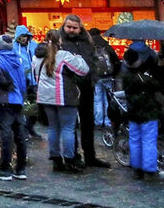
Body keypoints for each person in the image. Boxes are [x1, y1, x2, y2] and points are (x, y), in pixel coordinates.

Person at [34, 29, 90, 172]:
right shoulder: (64, 56)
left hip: (45, 98)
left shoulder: (38, 57)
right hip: (64, 97)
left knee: (53, 128)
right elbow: (83, 70)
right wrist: (78, 58)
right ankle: (70, 159)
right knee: (67, 129)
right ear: (60, 41)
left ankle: (56, 159)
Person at [60, 14, 110, 168]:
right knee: (70, 124)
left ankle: (90, 156)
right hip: (69, 87)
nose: (71, 30)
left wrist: (93, 78)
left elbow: (94, 60)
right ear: (64, 26)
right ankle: (73, 156)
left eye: (75, 27)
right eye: (69, 27)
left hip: (87, 86)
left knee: (88, 123)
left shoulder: (87, 41)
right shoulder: (60, 41)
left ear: (80, 27)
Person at [0, 34, 29, 180]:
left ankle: (5, 169)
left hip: (4, 99)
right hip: (17, 100)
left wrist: (3, 81)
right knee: (20, 135)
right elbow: (23, 80)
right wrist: (22, 96)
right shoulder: (17, 59)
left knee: (6, 134)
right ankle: (21, 169)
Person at [120, 41, 161, 179]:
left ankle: (136, 167)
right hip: (149, 113)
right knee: (148, 140)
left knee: (135, 139)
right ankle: (149, 168)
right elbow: (158, 87)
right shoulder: (145, 79)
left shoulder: (127, 77)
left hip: (133, 112)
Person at [89, 27, 120, 129]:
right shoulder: (106, 45)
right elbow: (115, 60)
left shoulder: (89, 46)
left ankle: (98, 122)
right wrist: (114, 73)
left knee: (97, 99)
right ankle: (108, 121)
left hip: (96, 77)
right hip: (108, 76)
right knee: (108, 98)